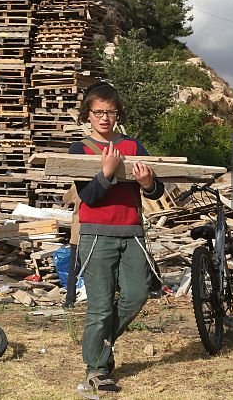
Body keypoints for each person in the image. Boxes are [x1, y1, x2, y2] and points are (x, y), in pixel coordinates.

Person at [70, 82, 164, 397]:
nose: (105, 118)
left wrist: (148, 183)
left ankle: (98, 346)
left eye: (110, 112)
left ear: (117, 113)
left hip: (132, 232)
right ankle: (97, 369)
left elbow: (157, 190)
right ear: (88, 114)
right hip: (97, 235)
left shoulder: (134, 146)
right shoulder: (79, 150)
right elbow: (90, 198)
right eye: (98, 112)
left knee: (136, 295)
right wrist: (107, 173)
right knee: (99, 305)